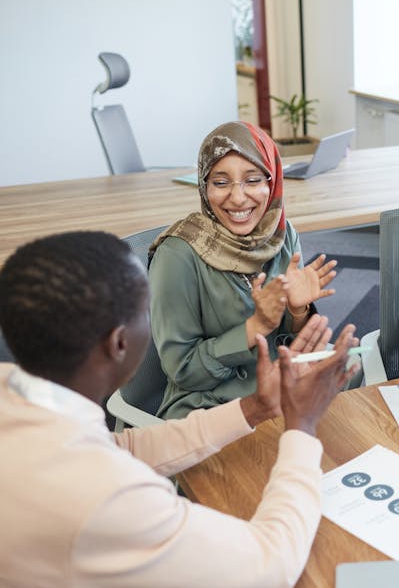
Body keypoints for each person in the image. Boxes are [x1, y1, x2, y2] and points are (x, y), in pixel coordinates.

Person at [0, 231, 359, 587]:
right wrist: (302, 426)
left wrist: (255, 407)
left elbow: (116, 448)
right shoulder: (111, 500)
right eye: (147, 310)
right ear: (120, 342)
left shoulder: (15, 390)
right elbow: (270, 564)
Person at [149, 121, 341, 419]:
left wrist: (298, 311)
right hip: (209, 407)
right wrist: (256, 327)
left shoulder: (281, 233)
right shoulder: (177, 255)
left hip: (282, 387)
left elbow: (292, 344)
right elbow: (182, 369)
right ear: (204, 186)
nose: (238, 198)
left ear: (272, 182)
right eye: (221, 182)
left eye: (252, 180)